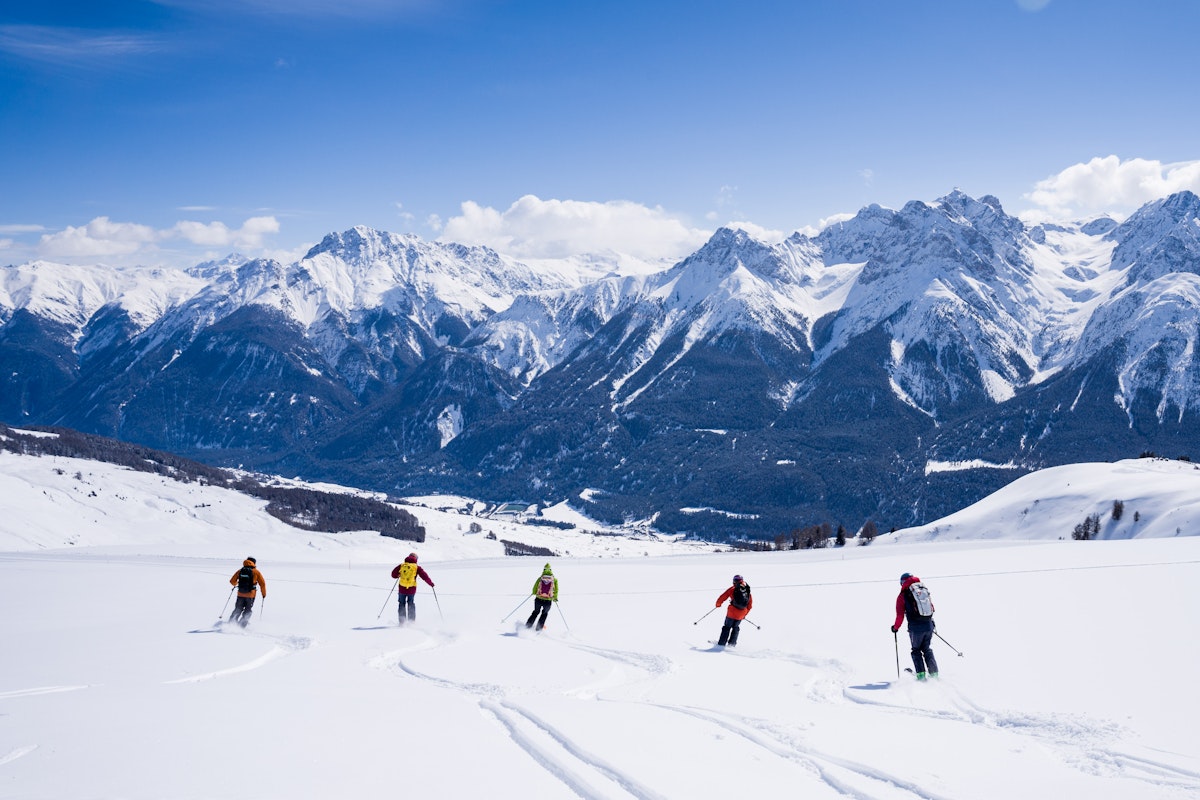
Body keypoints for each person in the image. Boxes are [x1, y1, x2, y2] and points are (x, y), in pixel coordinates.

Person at [892, 572, 939, 679]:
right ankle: (934, 674)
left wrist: (895, 628)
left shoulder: (903, 596)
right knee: (927, 649)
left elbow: (900, 615)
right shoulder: (923, 590)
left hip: (916, 628)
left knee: (916, 650)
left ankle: (921, 675)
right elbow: (932, 608)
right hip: (928, 625)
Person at [390, 552, 434, 624]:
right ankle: (411, 622)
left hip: (402, 588)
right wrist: (431, 583)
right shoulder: (417, 567)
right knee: (411, 603)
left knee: (401, 603)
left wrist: (399, 575)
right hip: (412, 589)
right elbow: (424, 576)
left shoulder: (402, 565)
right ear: (416, 559)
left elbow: (393, 575)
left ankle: (402, 622)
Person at [715, 574, 752, 647]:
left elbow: (723, 596)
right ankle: (732, 644)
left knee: (727, 627)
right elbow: (750, 605)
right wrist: (744, 614)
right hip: (742, 613)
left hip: (731, 613)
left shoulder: (733, 588)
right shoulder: (747, 590)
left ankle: (721, 644)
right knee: (735, 628)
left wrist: (718, 604)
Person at [228, 557, 266, 628]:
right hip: (251, 596)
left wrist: (236, 584)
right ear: (254, 563)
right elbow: (262, 584)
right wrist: (263, 594)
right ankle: (241, 626)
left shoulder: (240, 571)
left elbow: (232, 581)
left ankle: (231, 624)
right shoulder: (256, 572)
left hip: (240, 594)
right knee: (248, 611)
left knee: (238, 609)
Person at [525, 564, 558, 631]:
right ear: (551, 570)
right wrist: (555, 597)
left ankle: (528, 626)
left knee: (535, 612)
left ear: (544, 570)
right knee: (544, 614)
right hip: (548, 601)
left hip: (538, 599)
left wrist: (534, 592)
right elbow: (556, 590)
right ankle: (538, 629)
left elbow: (535, 587)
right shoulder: (554, 579)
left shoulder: (540, 578)